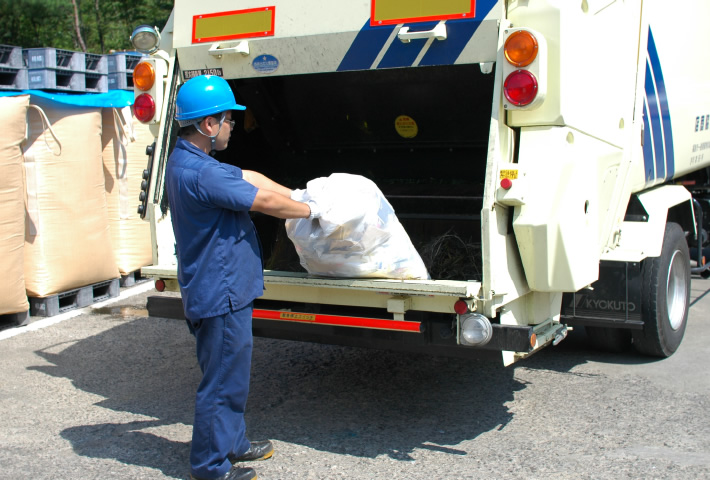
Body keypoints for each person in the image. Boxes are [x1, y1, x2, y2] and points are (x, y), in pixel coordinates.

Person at [165, 75, 319, 480]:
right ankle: (211, 467)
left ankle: (232, 444)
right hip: (222, 292)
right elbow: (263, 200)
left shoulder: (188, 161)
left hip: (211, 288)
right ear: (208, 125)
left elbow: (248, 176)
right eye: (229, 118)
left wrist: (301, 194)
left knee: (228, 375)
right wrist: (314, 213)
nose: (234, 124)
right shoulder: (203, 174)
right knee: (222, 382)